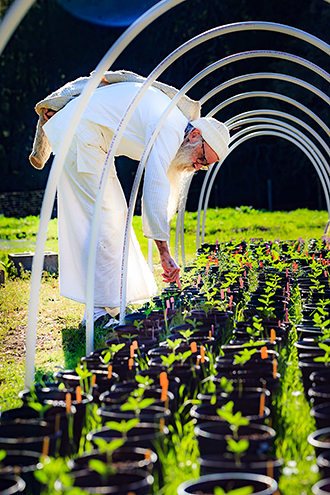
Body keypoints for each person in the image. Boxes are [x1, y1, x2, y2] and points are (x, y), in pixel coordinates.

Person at [30, 70, 230, 327]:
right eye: (201, 158)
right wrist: (164, 254)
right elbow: (155, 188)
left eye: (204, 165)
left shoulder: (173, 123)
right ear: (194, 136)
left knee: (113, 218)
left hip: (89, 138)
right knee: (104, 220)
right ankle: (96, 315)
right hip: (82, 136)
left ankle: (107, 305)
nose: (198, 166)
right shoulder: (170, 129)